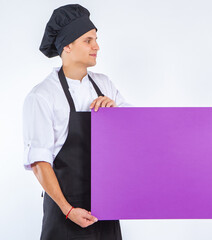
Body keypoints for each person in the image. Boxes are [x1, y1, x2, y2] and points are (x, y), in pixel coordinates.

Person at [23, 4, 128, 239]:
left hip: (106, 208)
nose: (96, 46)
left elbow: (138, 130)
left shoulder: (105, 84)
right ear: (67, 46)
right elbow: (40, 162)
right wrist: (68, 210)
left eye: (96, 39)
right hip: (66, 211)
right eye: (88, 40)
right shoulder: (42, 96)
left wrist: (117, 114)